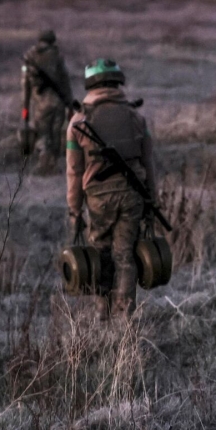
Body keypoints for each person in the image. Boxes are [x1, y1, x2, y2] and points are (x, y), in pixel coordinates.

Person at [66, 59, 156, 320]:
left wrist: (74, 211)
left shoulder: (78, 121)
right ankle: (125, 319)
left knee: (100, 254)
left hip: (98, 200)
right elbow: (148, 163)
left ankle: (101, 316)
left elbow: (74, 172)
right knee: (125, 255)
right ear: (118, 82)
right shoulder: (137, 118)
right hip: (133, 196)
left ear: (91, 83)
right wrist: (153, 201)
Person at [22, 30, 74, 175]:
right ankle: (53, 164)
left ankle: (43, 163)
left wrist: (25, 108)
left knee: (43, 134)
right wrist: (70, 105)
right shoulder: (57, 56)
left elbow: (25, 85)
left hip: (40, 104)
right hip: (58, 103)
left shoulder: (29, 57)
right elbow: (65, 82)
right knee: (56, 134)